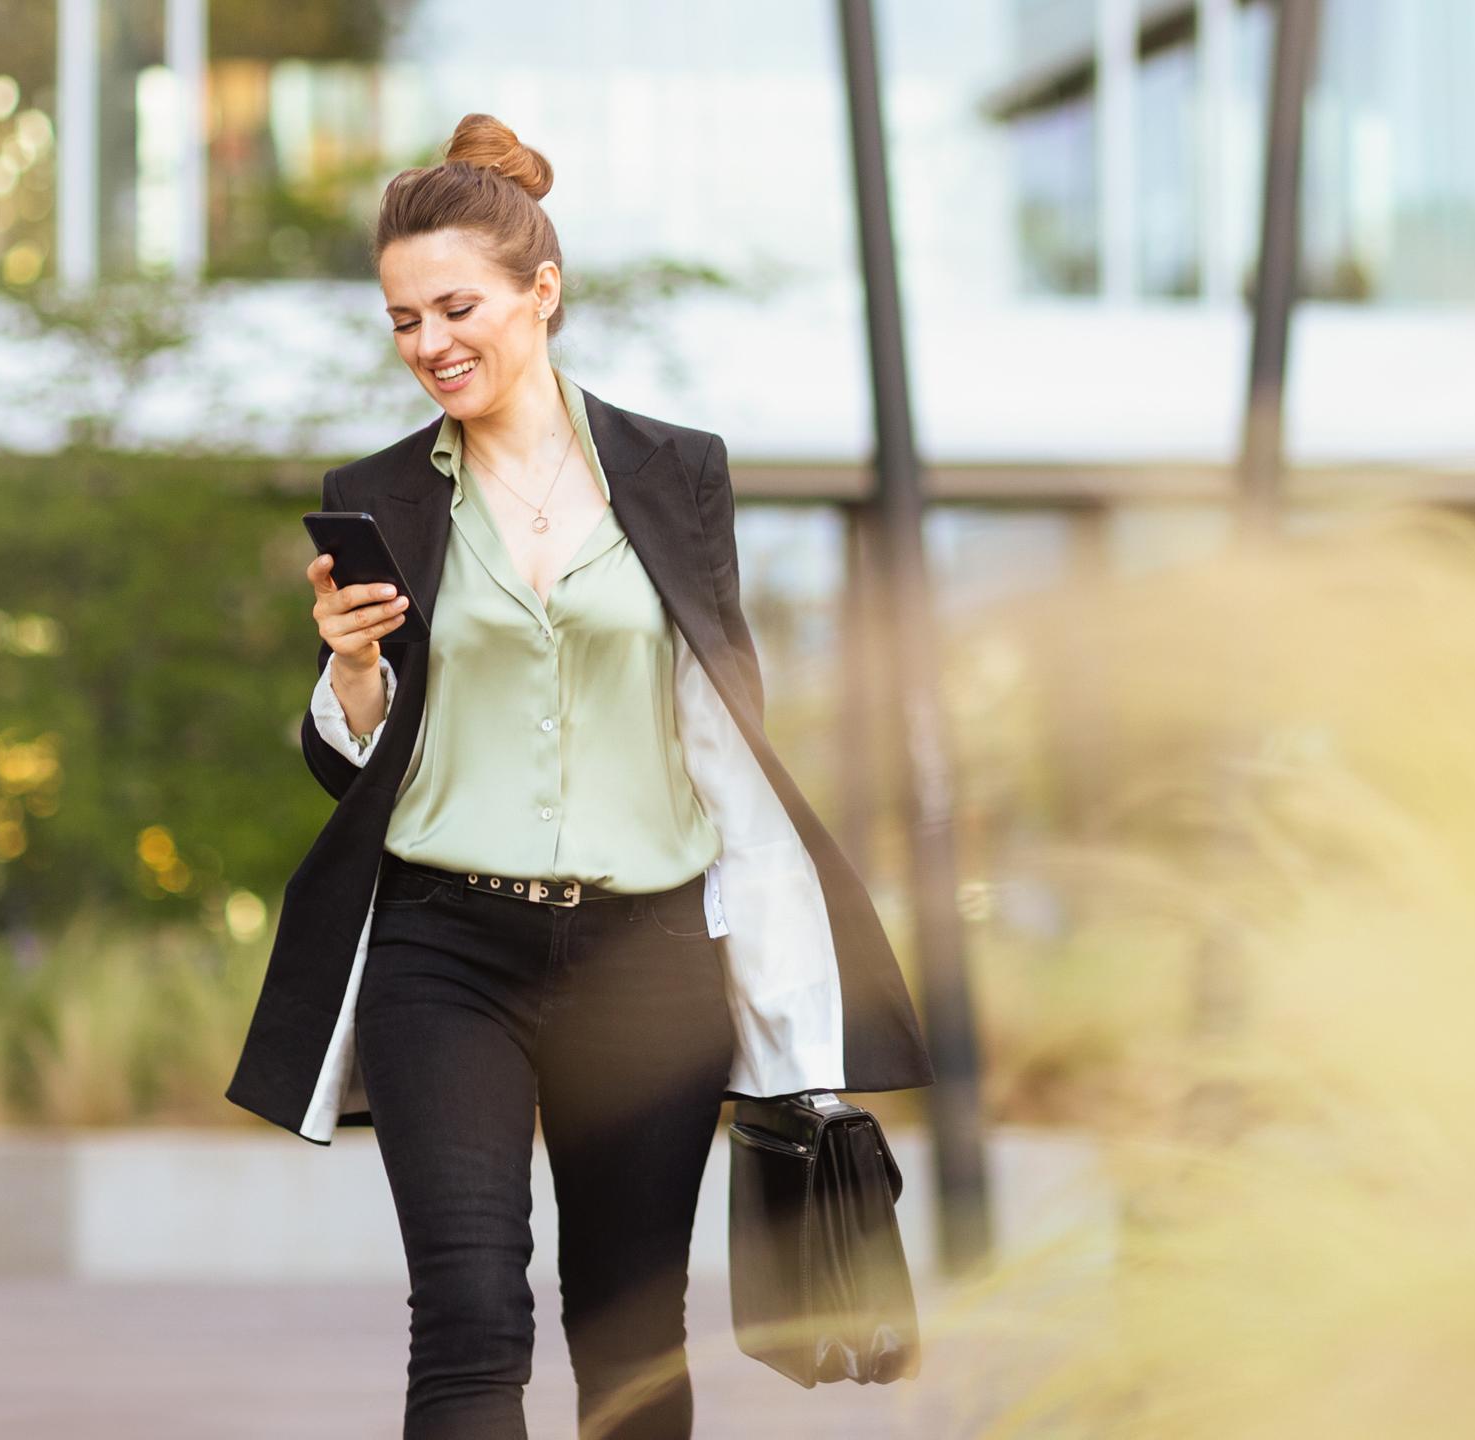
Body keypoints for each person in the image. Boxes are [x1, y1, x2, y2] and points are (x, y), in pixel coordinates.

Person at [217, 114, 938, 1439]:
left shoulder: (676, 474)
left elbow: (726, 727)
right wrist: (352, 670)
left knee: (627, 1341)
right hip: (443, 949)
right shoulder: (382, 494)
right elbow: (349, 759)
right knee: (472, 1319)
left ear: (540, 295)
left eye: (457, 308)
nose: (432, 344)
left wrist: (781, 1006)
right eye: (400, 322)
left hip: (646, 959)